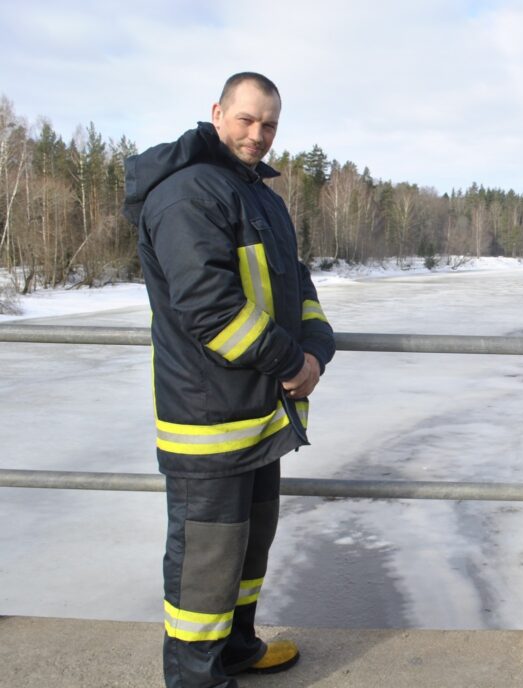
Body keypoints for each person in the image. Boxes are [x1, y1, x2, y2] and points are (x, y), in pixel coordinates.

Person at [123, 72, 336, 687]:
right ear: (217, 113)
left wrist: (316, 348)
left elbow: (297, 285)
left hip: (260, 415)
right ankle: (196, 678)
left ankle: (236, 649)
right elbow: (209, 310)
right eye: (246, 119)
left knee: (249, 548)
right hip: (210, 421)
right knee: (205, 568)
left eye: (269, 124)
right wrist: (291, 363)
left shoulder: (258, 195)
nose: (258, 134)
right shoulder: (187, 193)